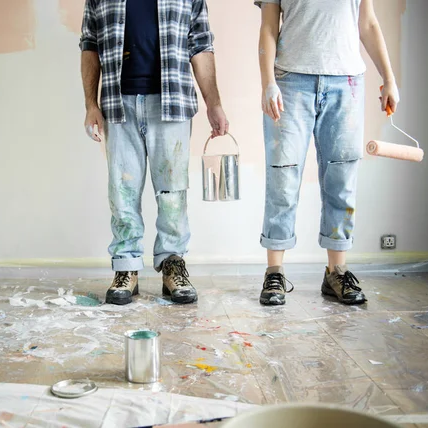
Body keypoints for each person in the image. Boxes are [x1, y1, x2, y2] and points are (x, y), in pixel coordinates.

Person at [80, 0, 228, 305]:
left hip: (171, 104)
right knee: (122, 192)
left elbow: (200, 45)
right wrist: (90, 105)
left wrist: (214, 103)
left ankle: (173, 263)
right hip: (117, 103)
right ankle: (126, 268)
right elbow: (90, 45)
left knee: (173, 193)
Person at [255, 0, 400, 305]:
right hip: (290, 81)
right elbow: (269, 25)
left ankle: (336, 271)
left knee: (342, 176)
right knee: (283, 176)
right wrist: (267, 82)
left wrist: (389, 78)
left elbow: (368, 24)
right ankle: (275, 272)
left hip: (346, 83)